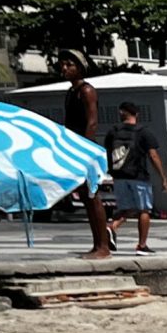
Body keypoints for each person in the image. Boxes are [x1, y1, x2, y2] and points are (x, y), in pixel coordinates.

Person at [58, 55, 115, 257]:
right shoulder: (70, 93)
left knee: (92, 195)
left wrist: (84, 149)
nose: (64, 68)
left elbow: (92, 122)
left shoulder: (87, 91)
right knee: (85, 196)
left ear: (81, 68)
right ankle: (97, 243)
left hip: (85, 148)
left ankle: (103, 246)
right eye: (63, 64)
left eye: (69, 64)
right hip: (75, 147)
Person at [102, 103, 167, 253]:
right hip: (138, 176)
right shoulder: (143, 132)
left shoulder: (113, 132)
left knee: (126, 208)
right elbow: (153, 155)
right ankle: (142, 245)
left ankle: (112, 227)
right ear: (136, 114)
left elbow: (106, 152)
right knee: (144, 210)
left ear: (121, 113)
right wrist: (163, 177)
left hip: (119, 176)